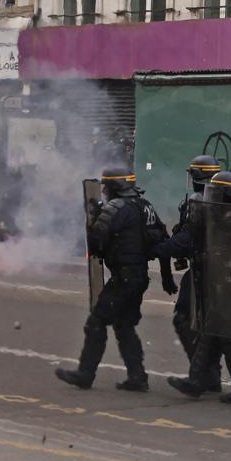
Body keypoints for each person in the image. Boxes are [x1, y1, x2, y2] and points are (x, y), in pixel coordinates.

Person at [56, 166, 165, 392]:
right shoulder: (146, 207)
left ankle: (86, 374)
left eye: (106, 186)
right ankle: (138, 377)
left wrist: (95, 216)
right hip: (139, 275)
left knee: (96, 322)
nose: (104, 190)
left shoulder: (116, 207)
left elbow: (96, 242)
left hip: (124, 277)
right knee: (124, 326)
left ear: (116, 187)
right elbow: (162, 238)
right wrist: (165, 275)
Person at [163, 171, 231, 404]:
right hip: (230, 282)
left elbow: (225, 253)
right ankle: (197, 381)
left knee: (227, 334)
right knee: (212, 330)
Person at [168, 155, 225, 390]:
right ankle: (209, 375)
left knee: (184, 318)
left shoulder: (198, 201)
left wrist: (165, 247)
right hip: (220, 271)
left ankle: (203, 375)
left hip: (204, 268)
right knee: (210, 325)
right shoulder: (227, 198)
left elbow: (190, 238)